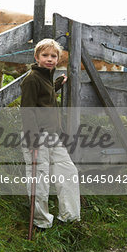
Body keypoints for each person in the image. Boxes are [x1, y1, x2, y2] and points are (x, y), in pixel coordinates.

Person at [20, 38, 80, 229]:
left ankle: (69, 216)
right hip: (36, 137)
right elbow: (28, 110)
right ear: (37, 57)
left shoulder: (45, 78)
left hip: (53, 136)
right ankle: (41, 221)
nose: (49, 59)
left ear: (58, 59)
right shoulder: (31, 79)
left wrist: (55, 86)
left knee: (68, 171)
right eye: (45, 55)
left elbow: (44, 98)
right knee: (40, 179)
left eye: (54, 56)